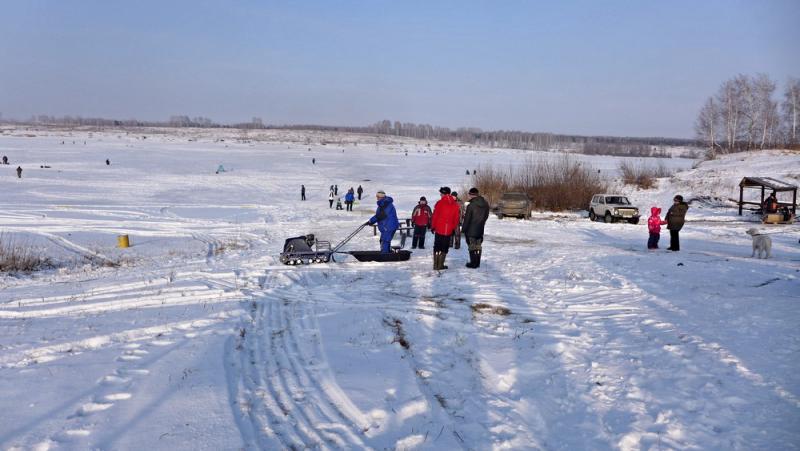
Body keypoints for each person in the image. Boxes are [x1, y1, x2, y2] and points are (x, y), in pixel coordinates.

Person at [430, 186, 461, 270]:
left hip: (439, 229)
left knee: (437, 246)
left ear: (444, 193)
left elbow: (435, 216)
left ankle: (436, 265)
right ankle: (440, 265)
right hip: (448, 230)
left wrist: (433, 226)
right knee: (444, 247)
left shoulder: (439, 203)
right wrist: (453, 228)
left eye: (441, 193)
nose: (440, 195)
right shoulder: (455, 205)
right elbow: (456, 219)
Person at [462, 187, 490, 268]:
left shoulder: (471, 205)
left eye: (469, 194)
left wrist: (463, 229)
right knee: (478, 246)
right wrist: (482, 223)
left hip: (471, 230)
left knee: (472, 246)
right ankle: (477, 263)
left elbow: (467, 219)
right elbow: (486, 216)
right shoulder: (485, 204)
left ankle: (473, 263)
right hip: (480, 228)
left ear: (471, 195)